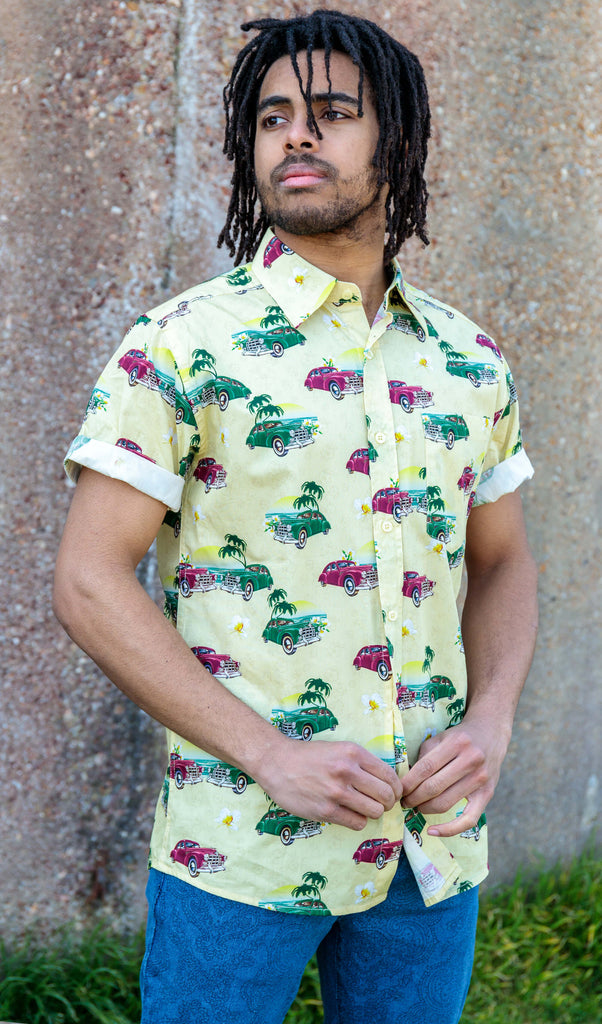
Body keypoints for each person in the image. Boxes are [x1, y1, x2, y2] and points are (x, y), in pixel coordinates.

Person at [53, 10, 538, 1023]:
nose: (295, 135)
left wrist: (489, 720)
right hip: (238, 844)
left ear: (394, 141)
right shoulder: (180, 346)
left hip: (428, 845)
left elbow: (498, 563)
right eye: (273, 116)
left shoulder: (467, 360)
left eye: (331, 112)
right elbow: (91, 581)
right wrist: (271, 753)